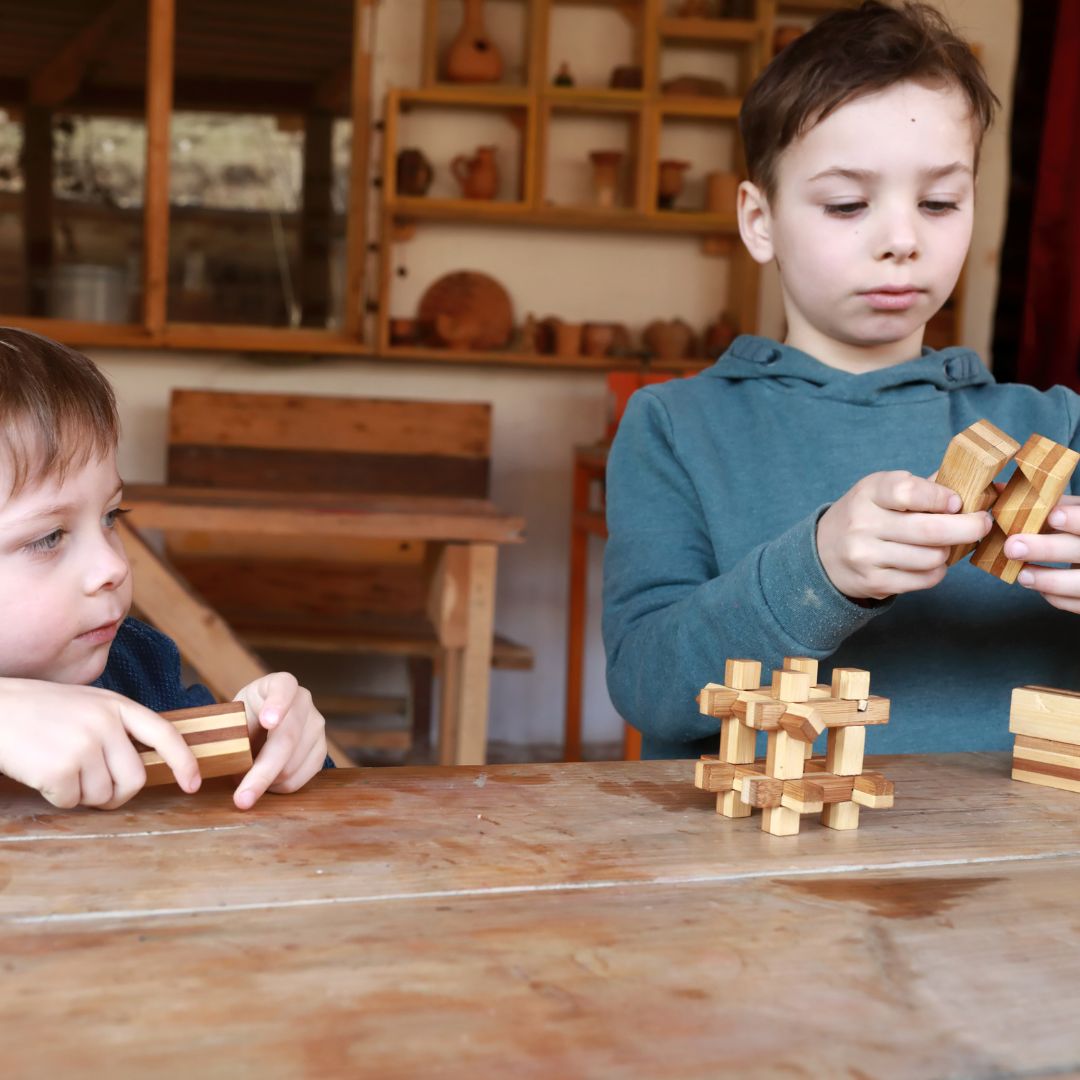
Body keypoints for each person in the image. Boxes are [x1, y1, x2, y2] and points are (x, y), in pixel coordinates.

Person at [603, 0, 1080, 759]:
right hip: (760, 859)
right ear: (760, 221)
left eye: (938, 202)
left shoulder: (1057, 426)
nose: (901, 239)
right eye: (848, 203)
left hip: (1023, 869)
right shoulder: (674, 426)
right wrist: (816, 569)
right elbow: (650, 691)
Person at [0, 328, 327, 809]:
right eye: (48, 537)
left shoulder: (137, 666)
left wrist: (263, 742)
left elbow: (212, 806)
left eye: (111, 516)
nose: (112, 565)